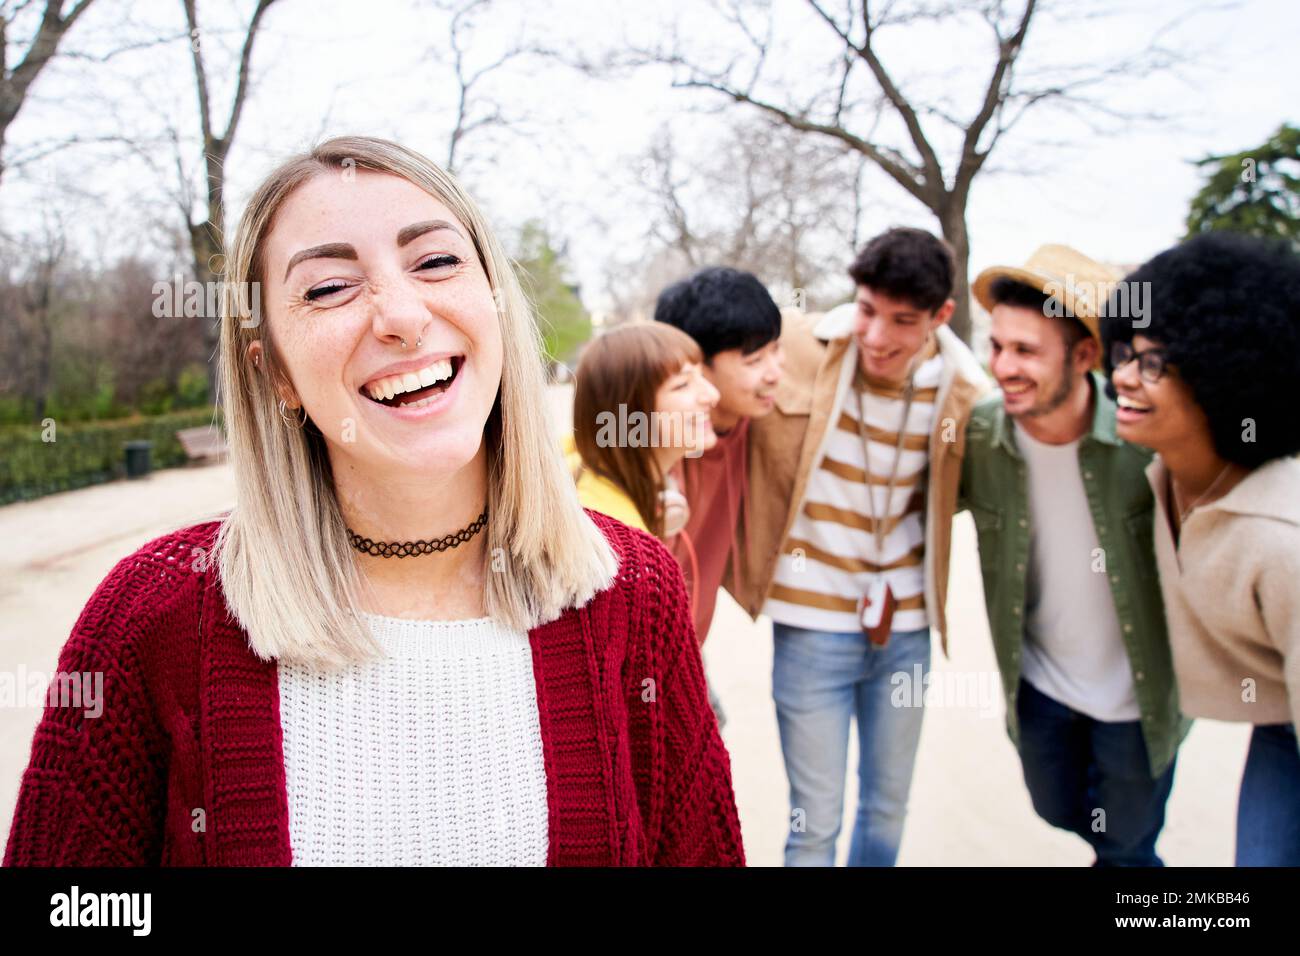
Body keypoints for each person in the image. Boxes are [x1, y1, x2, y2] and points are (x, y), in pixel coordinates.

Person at [3, 136, 744, 867]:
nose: (402, 314)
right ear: (277, 376)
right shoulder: (150, 619)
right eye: (328, 287)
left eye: (437, 261)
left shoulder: (635, 593)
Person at [729, 227, 989, 866]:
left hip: (906, 633)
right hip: (810, 627)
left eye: (903, 322)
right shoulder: (793, 348)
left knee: (885, 811)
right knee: (813, 825)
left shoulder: (964, 392)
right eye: (868, 310)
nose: (877, 336)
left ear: (941, 316)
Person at [962, 245, 1186, 867]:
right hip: (1041, 692)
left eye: (1025, 351)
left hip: (1135, 703)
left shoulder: (1150, 439)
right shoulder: (979, 435)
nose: (1002, 366)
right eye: (997, 346)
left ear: (1085, 356)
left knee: (1127, 848)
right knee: (1058, 811)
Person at [1101, 231, 1300, 867]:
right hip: (1281, 714)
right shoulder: (1156, 478)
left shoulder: (1282, 539)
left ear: (1225, 373)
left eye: (1152, 363)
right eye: (1123, 354)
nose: (1123, 379)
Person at [653, 266, 785, 645]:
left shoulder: (754, 418)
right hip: (645, 659)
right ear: (693, 363)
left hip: (691, 650)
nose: (775, 373)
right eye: (754, 360)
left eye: (776, 351)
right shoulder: (652, 446)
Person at [566, 323, 720, 618]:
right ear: (630, 412)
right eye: (683, 385)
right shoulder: (610, 547)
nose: (712, 395)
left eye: (702, 377)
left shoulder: (581, 473)